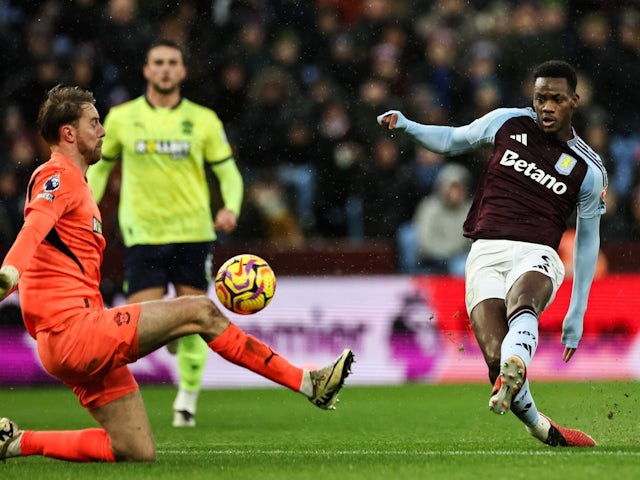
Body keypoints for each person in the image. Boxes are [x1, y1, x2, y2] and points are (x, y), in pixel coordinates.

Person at [0, 84, 354, 463]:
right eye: (94, 122)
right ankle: (308, 382)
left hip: (71, 337)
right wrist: (7, 274)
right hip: (74, 333)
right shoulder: (58, 175)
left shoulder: (77, 183)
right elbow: (33, 228)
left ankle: (14, 442)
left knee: (135, 450)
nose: (103, 131)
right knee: (199, 311)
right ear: (68, 133)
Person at [377, 60, 605, 447]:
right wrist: (409, 125)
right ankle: (541, 426)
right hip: (485, 252)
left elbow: (586, 241)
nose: (546, 107)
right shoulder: (507, 122)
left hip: (538, 254)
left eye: (556, 99)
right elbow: (452, 140)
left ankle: (517, 366)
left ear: (575, 101)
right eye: (540, 99)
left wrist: (577, 311)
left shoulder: (588, 168)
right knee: (495, 358)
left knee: (523, 302)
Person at [86, 39, 245, 428]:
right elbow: (100, 169)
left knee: (194, 315)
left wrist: (230, 207)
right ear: (146, 69)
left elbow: (227, 172)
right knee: (138, 325)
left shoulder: (204, 120)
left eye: (173, 62)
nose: (166, 69)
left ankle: (186, 403)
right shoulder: (122, 118)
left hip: (193, 230)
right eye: (158, 62)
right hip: (143, 232)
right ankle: (169, 336)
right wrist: (83, 204)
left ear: (183, 71)